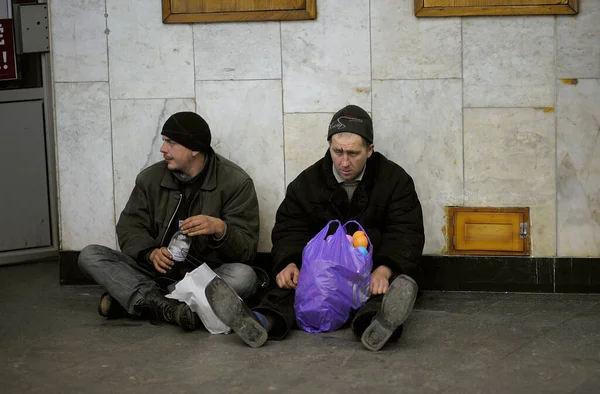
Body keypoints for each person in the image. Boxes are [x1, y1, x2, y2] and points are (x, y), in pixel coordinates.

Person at [205, 104, 425, 351]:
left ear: (370, 150)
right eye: (337, 151)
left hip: (368, 272)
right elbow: (290, 227)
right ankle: (259, 322)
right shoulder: (307, 183)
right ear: (329, 146)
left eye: (353, 154)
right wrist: (288, 262)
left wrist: (386, 269)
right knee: (289, 292)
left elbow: (406, 230)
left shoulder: (395, 181)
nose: (344, 162)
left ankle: (376, 325)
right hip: (320, 275)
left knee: (377, 295)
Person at [78, 111, 261, 331]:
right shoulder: (150, 179)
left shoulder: (236, 182)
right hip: (155, 273)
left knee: (244, 277)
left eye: (171, 143)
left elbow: (247, 249)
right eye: (164, 141)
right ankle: (177, 308)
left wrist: (220, 229)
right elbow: (130, 226)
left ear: (194, 149)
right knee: (90, 255)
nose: (163, 149)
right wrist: (150, 252)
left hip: (206, 274)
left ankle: (143, 301)